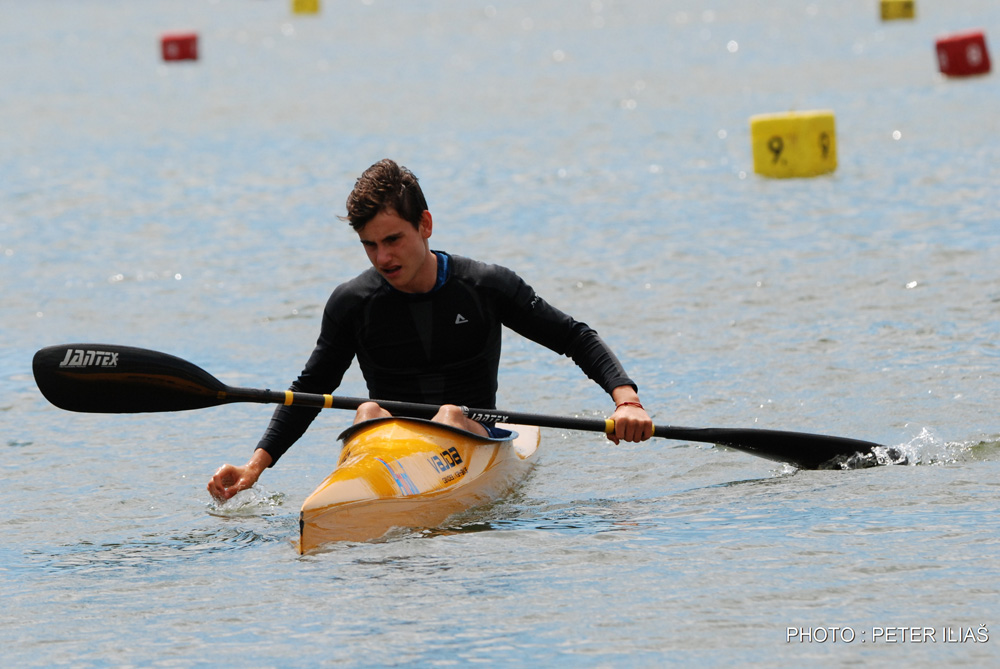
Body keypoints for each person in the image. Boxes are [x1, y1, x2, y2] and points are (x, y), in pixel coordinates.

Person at [207, 159, 653, 501]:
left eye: (393, 239)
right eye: (370, 245)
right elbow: (310, 389)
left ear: (425, 225)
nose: (382, 258)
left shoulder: (485, 286)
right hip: (384, 447)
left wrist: (626, 401)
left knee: (450, 413)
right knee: (368, 413)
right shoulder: (353, 303)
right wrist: (255, 466)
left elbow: (574, 336)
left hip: (473, 438)